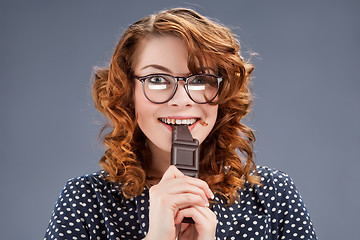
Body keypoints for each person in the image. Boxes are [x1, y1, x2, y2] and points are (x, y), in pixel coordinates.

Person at [44, 8, 317, 240]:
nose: (181, 99)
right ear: (128, 91)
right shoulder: (86, 202)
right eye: (157, 80)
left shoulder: (272, 196)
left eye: (200, 80)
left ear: (223, 94)